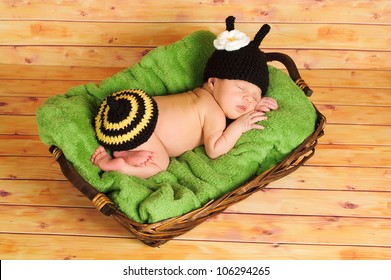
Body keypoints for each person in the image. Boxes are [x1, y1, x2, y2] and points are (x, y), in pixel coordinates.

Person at [91, 16, 278, 178]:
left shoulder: (199, 96)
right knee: (161, 165)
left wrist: (253, 104)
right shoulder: (213, 112)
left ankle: (125, 152)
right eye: (241, 88)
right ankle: (122, 167)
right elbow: (214, 150)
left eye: (256, 95)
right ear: (212, 82)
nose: (249, 98)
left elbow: (240, 101)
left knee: (149, 146)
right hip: (141, 127)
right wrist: (241, 125)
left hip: (127, 111)